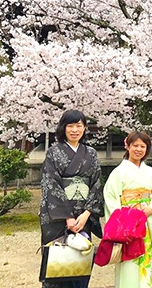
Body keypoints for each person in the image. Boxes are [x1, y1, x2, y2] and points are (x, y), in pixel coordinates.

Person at [39, 109, 104, 288]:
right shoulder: (53, 152)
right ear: (63, 128)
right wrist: (67, 217)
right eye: (70, 126)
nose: (75, 130)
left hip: (83, 217)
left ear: (84, 128)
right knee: (57, 262)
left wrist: (86, 214)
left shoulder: (90, 153)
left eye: (79, 125)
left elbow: (97, 183)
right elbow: (50, 184)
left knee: (80, 261)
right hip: (58, 218)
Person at [103, 131, 152, 288]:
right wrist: (124, 221)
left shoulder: (150, 171)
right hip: (128, 227)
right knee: (129, 266)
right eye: (135, 145)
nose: (138, 149)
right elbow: (111, 199)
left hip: (147, 223)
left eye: (142, 146)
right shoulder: (118, 173)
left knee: (146, 264)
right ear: (127, 146)